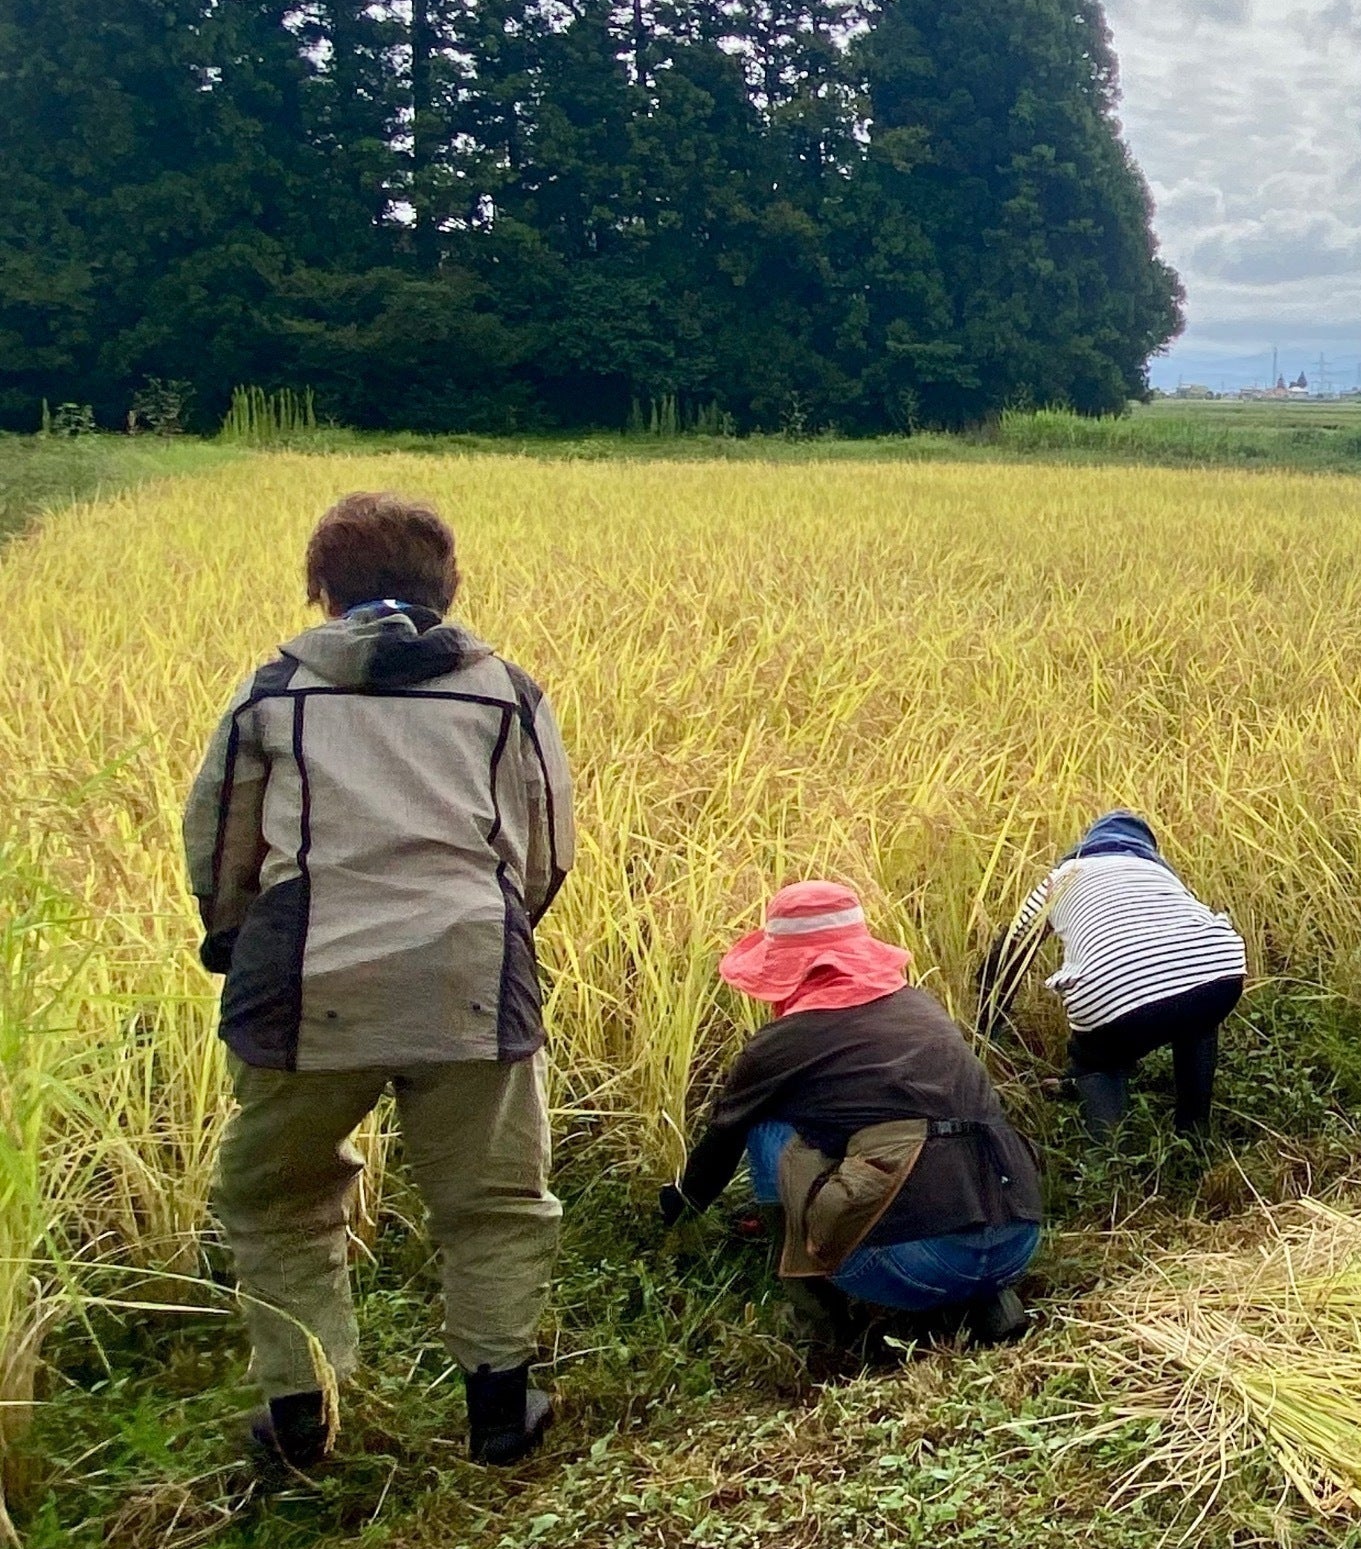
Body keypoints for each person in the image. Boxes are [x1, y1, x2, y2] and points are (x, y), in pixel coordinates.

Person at [182, 491, 575, 1473]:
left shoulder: (273, 693)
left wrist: (237, 940)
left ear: (324, 590)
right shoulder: (506, 694)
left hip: (305, 984)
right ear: (449, 586)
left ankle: (303, 1415)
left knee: (276, 1196)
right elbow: (546, 852)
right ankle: (499, 1412)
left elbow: (218, 847)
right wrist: (491, 935)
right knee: (491, 1200)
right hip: (470, 973)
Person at [664, 881, 1046, 1356]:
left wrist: (679, 1210)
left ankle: (821, 1324)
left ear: (788, 968)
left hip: (911, 1264)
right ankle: (987, 1298)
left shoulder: (783, 1041)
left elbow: (722, 1140)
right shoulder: (922, 1009)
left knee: (764, 1128)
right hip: (1018, 1237)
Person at [983, 811, 1246, 1140]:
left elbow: (1011, 949)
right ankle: (1194, 1132)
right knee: (1196, 1016)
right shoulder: (1159, 871)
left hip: (1112, 990)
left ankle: (1109, 1162)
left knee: (1099, 1056)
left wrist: (988, 1023)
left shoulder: (1063, 875)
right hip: (1219, 968)